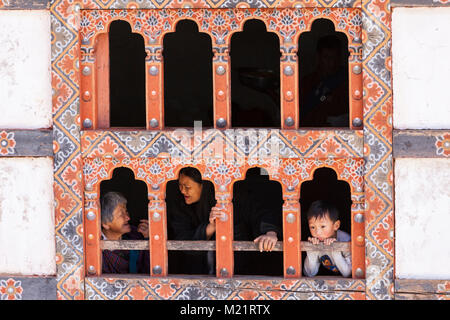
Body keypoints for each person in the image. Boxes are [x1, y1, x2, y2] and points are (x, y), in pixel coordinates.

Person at [166, 167, 226, 275]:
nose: (182, 191)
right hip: (191, 273)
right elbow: (182, 240)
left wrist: (267, 231)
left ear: (204, 186)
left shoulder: (227, 203)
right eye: (180, 185)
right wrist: (209, 228)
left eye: (187, 187)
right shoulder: (180, 207)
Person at [233, 168, 283, 276]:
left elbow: (263, 212)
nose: (186, 191)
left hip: (263, 262)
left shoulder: (247, 198)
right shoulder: (219, 203)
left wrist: (271, 232)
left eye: (188, 187)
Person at [300, 34, 349, 127]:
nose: (331, 62)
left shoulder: (348, 80)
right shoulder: (308, 81)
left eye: (334, 57)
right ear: (318, 57)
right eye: (326, 57)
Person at [100, 191, 150, 274]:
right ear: (105, 224)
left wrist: (149, 238)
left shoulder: (136, 235)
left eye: (126, 212)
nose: (128, 217)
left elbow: (149, 271)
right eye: (121, 214)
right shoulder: (94, 247)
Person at [303, 200, 352, 277]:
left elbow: (348, 273)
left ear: (336, 225)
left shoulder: (346, 240)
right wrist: (312, 250)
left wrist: (335, 248)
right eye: (312, 227)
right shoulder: (316, 240)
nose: (318, 232)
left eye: (323, 226)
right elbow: (309, 273)